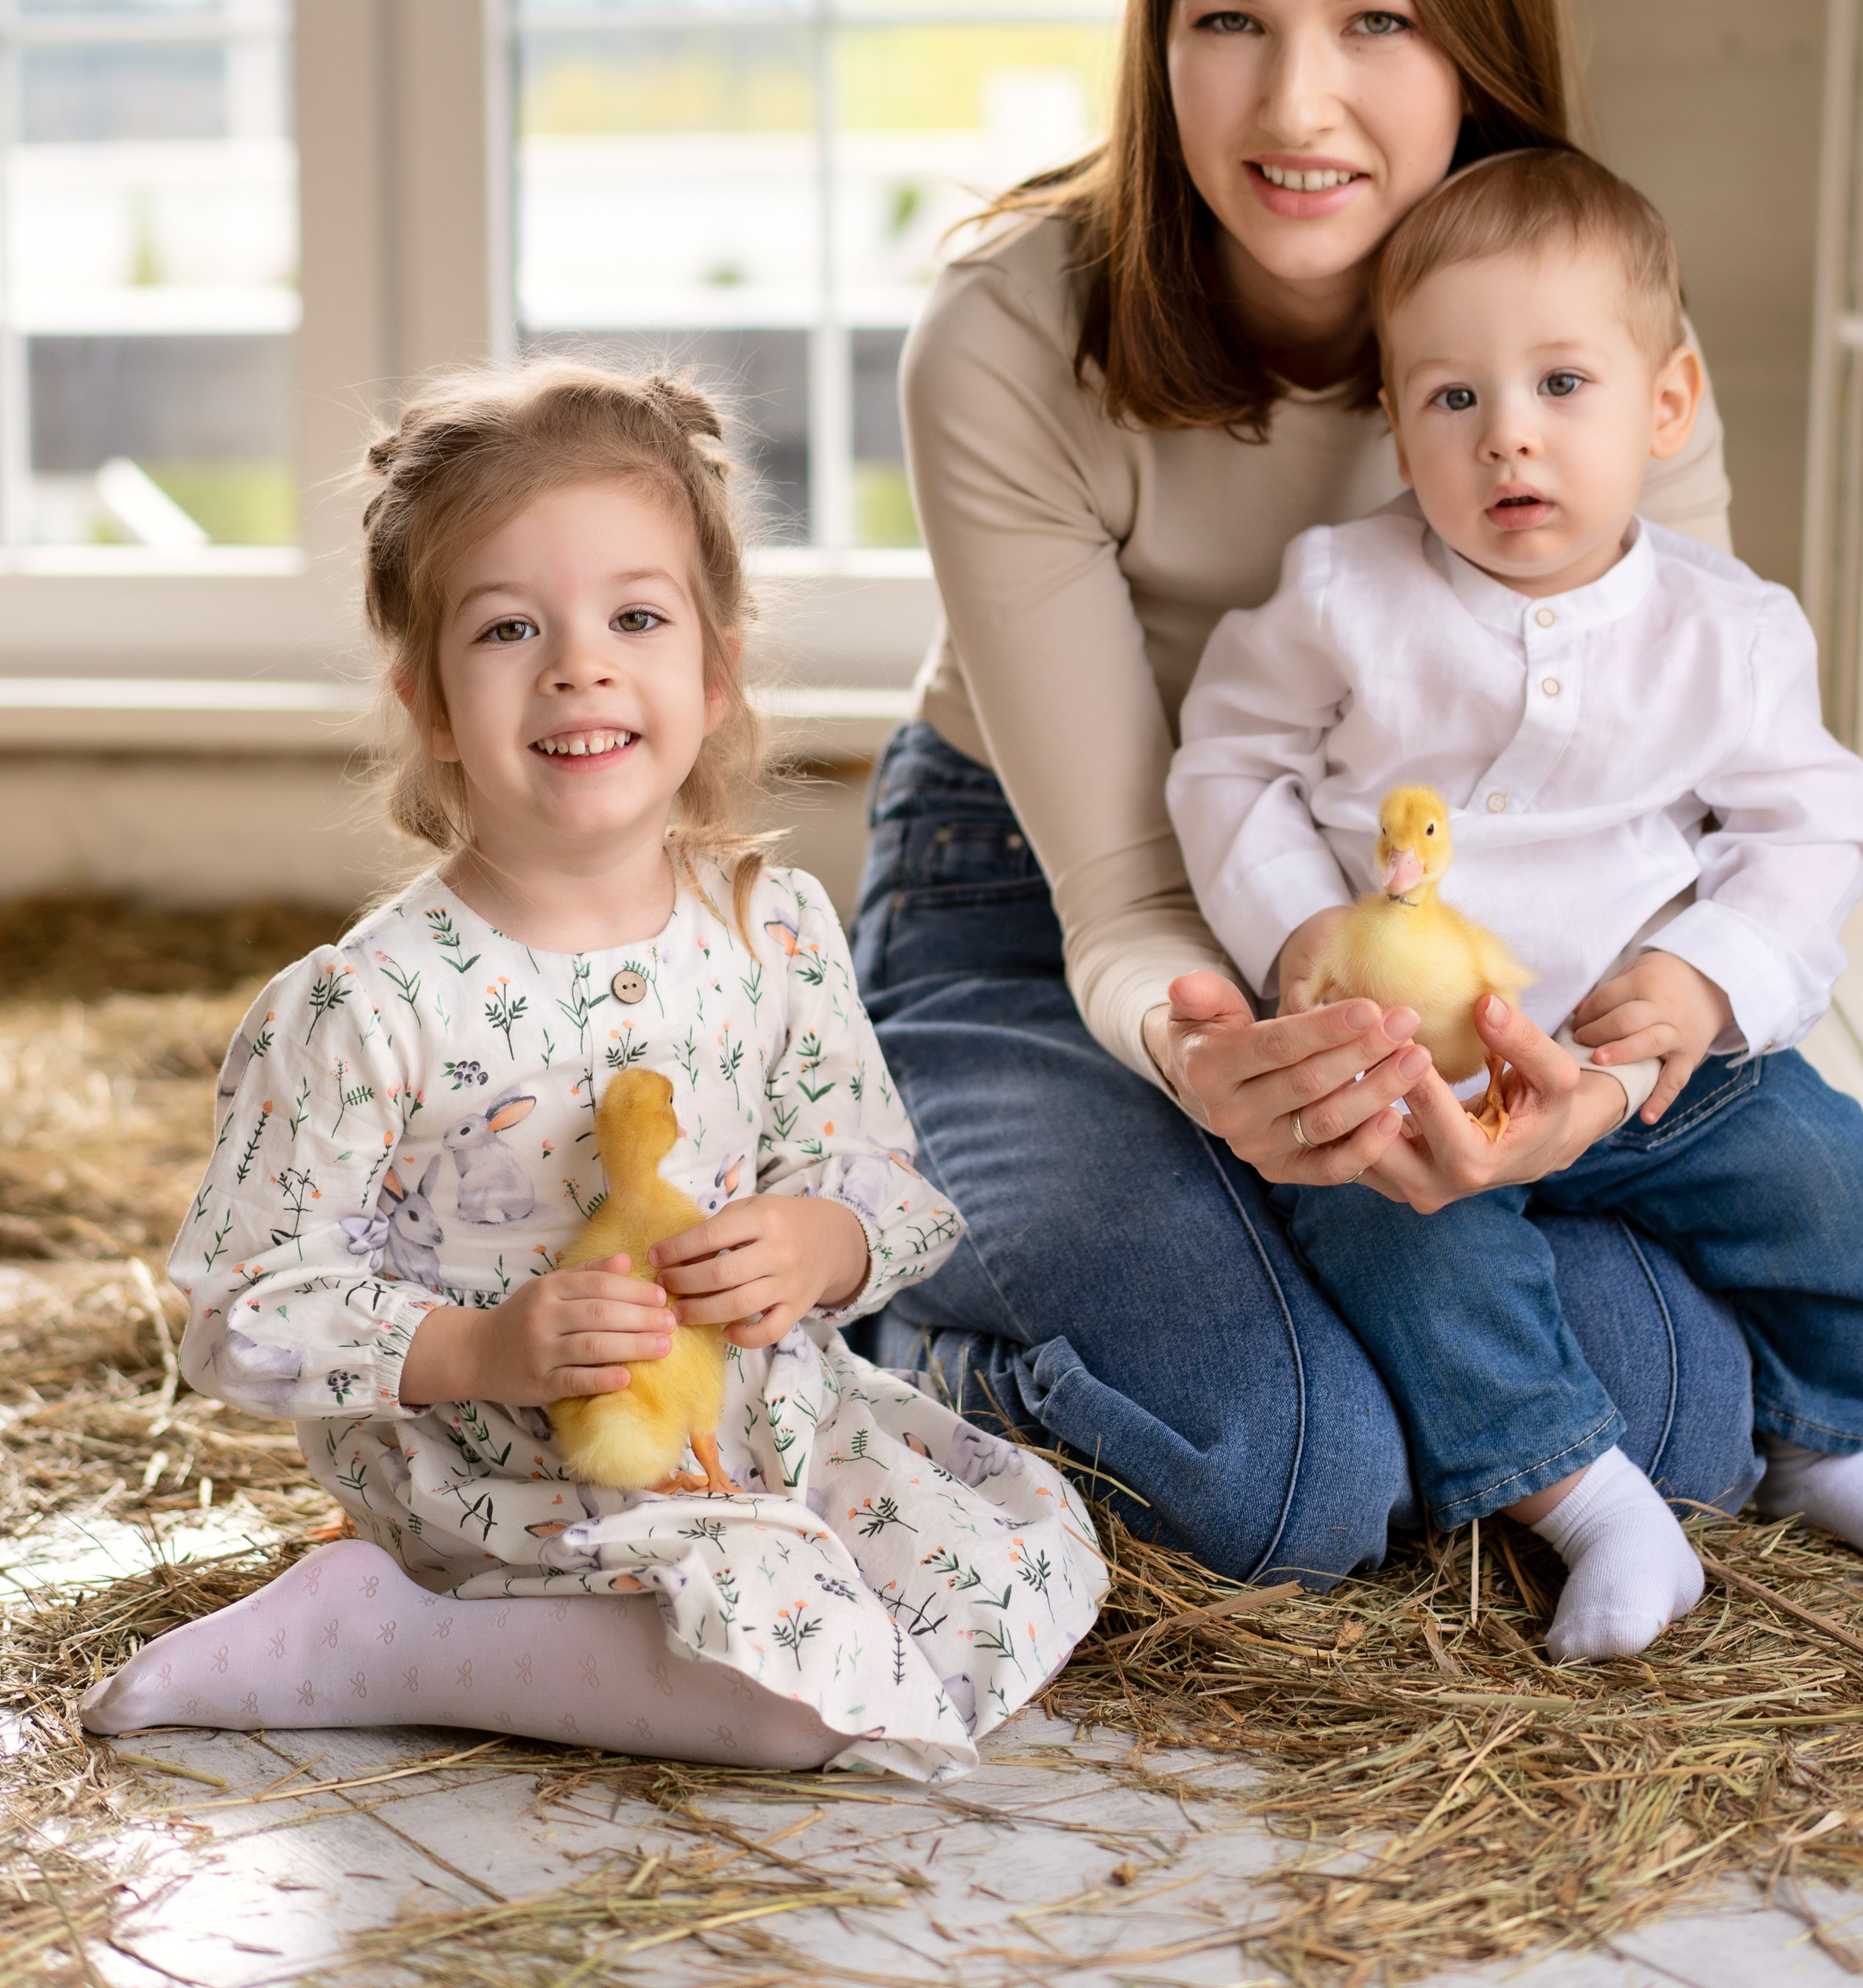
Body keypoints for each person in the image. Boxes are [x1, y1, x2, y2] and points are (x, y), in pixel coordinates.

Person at [851, 0, 1763, 1581]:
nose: (1291, 108)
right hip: (1043, 927)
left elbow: (1698, 801)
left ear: (1473, 42)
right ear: (1155, 36)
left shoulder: (1592, 336)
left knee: (1692, 1413)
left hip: (1487, 937)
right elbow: (1120, 891)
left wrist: (1573, 1090)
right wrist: (1213, 1058)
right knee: (1288, 1477)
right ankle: (872, 1339)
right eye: (1223, 22)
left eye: (1375, 22)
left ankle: (1316, 1318)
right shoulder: (1006, 344)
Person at [82, 365, 1105, 1776]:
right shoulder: (373, 1003)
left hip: (754, 1426)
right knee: (799, 1706)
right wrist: (485, 1349)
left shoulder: (768, 930)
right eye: (510, 629)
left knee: (1028, 1571)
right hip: (498, 1477)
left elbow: (871, 1170)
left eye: (635, 618)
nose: (581, 666)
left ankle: (653, 1633)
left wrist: (817, 1242)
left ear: (714, 673)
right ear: (430, 701)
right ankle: (384, 1628)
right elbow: (243, 1308)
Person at [1167, 148, 1863, 1659]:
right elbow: (1228, 767)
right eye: (1454, 398)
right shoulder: (1344, 597)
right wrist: (1297, 939)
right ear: (1399, 425)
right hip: (1423, 1081)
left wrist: (1703, 979)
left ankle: (1825, 1435)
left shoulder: (1726, 630)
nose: (1507, 439)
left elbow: (1807, 828)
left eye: (1561, 387)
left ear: (1664, 407)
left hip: (1643, 1066)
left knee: (1828, 1173)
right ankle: (1591, 1501)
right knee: (1392, 1242)